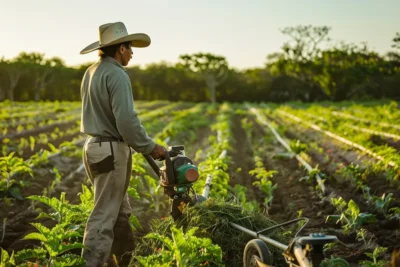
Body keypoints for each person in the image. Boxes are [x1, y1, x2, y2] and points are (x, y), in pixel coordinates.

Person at [79, 22, 166, 267]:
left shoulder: (91, 71)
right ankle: (91, 263)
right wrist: (150, 146)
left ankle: (124, 261)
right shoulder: (117, 74)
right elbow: (126, 121)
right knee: (104, 215)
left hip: (93, 147)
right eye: (129, 48)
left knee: (120, 212)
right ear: (120, 49)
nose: (132, 53)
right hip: (110, 149)